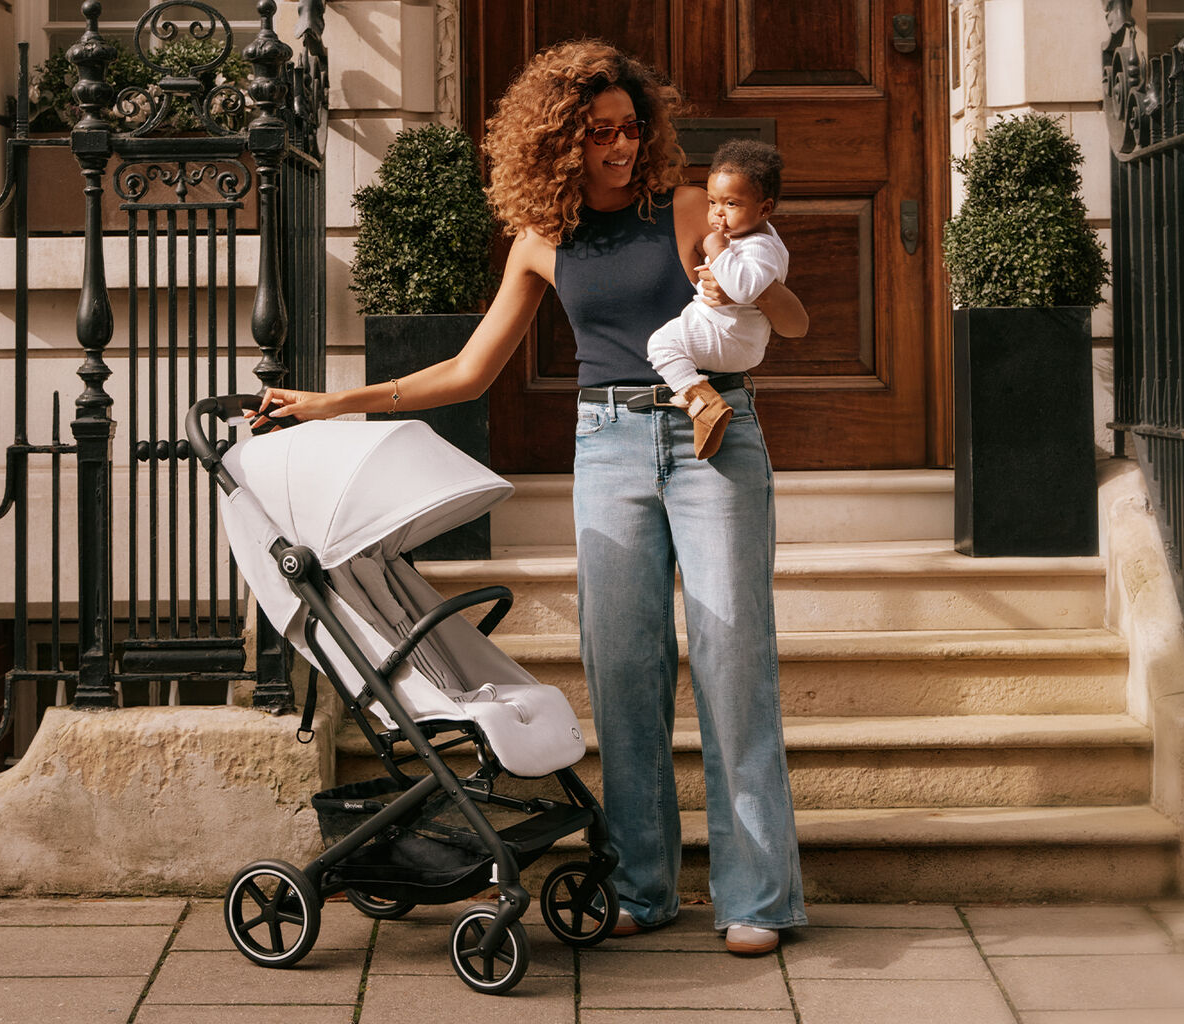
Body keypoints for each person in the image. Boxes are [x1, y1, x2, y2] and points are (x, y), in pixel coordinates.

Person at [252, 39, 809, 956]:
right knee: (623, 671)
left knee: (732, 659)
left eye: (631, 129)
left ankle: (756, 896)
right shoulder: (542, 242)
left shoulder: (681, 210)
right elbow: (470, 372)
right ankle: (641, 884)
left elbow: (786, 321)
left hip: (713, 436)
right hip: (610, 447)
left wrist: (757, 283)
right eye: (600, 135)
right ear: (560, 141)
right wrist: (332, 401)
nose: (622, 148)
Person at [648, 138, 788, 460]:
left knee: (661, 345)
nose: (717, 214)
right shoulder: (760, 235)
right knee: (670, 342)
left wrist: (717, 250)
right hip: (729, 333)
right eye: (712, 202)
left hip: (728, 334)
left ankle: (704, 406)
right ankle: (703, 406)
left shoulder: (758, 247)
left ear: (764, 208)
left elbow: (744, 289)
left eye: (731, 205)